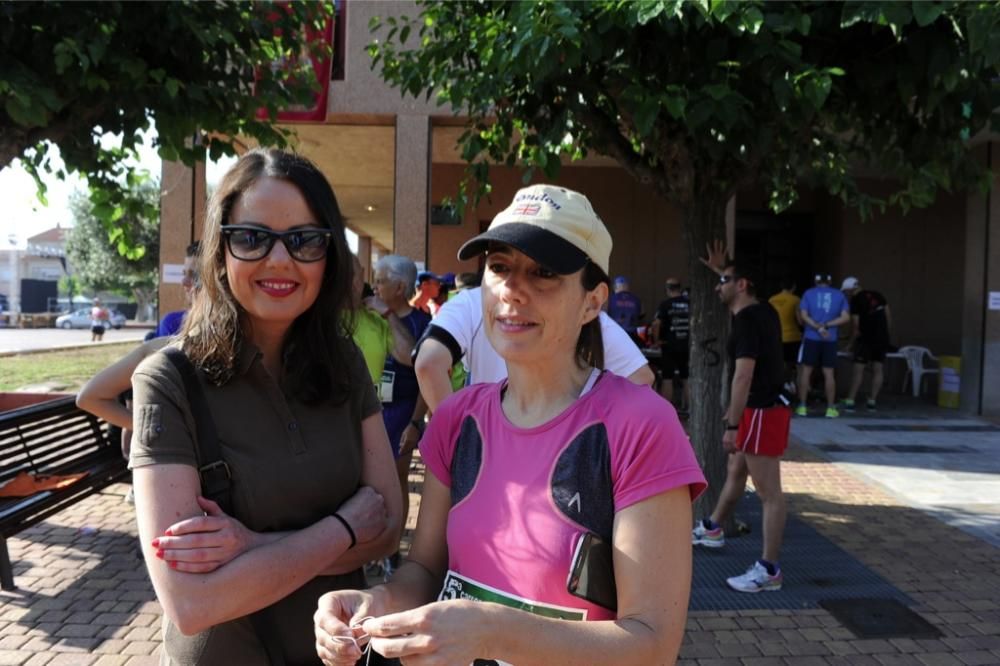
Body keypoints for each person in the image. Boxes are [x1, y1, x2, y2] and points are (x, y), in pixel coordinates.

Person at [314, 183, 706, 666]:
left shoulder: (641, 426)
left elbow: (652, 644)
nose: (513, 289)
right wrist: (377, 602)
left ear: (593, 301)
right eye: (499, 267)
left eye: (543, 273)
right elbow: (424, 569)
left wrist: (492, 631)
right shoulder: (456, 419)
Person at [128, 149, 402, 665]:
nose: (280, 261)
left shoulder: (343, 362)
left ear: (329, 255)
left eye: (304, 241)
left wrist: (249, 546)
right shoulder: (168, 379)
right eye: (252, 238)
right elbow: (192, 601)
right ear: (220, 249)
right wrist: (342, 528)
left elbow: (387, 527)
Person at [692, 258, 790, 594]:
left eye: (724, 280)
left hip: (762, 410)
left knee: (769, 494)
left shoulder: (748, 320)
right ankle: (714, 527)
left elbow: (744, 374)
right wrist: (722, 267)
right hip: (757, 409)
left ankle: (770, 569)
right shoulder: (763, 312)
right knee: (736, 471)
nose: (718, 286)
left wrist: (733, 424)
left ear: (743, 284)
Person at [372, 254, 432, 574]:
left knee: (396, 480)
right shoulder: (368, 316)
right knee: (370, 482)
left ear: (399, 286)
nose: (375, 286)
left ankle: (393, 549)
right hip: (372, 409)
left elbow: (423, 372)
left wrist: (415, 422)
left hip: (403, 409)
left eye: (381, 280)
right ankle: (374, 545)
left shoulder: (422, 324)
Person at [345, 254, 416, 387]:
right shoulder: (316, 319)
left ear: (362, 274)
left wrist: (388, 313)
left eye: (351, 275)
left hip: (374, 406)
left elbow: (411, 358)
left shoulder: (377, 318)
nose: (346, 283)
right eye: (339, 276)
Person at [796, 273, 850, 418]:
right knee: (829, 373)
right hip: (830, 339)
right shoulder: (839, 295)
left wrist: (818, 327)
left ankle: (802, 406)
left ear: (816, 281)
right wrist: (827, 325)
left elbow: (804, 316)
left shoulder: (808, 293)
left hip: (811, 337)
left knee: (806, 371)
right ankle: (830, 408)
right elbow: (846, 317)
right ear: (830, 282)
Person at [840, 276, 893, 411]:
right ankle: (872, 401)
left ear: (851, 290)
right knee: (878, 369)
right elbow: (888, 316)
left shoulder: (856, 301)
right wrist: (885, 335)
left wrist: (850, 344)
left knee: (858, 370)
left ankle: (850, 400)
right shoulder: (878, 295)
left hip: (865, 339)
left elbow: (856, 327)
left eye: (846, 292)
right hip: (881, 339)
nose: (846, 294)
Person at [650, 277, 690, 411]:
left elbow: (656, 323)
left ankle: (667, 411)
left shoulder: (665, 304)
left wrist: (656, 341)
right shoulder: (690, 303)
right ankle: (690, 410)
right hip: (687, 345)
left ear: (667, 289)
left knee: (667, 378)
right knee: (686, 378)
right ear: (679, 287)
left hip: (669, 346)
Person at [154, 241, 201, 338]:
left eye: (195, 275)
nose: (184, 282)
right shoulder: (173, 324)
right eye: (184, 274)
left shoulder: (233, 327)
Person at [767, 276, 802, 385]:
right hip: (793, 337)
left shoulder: (771, 299)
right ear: (794, 287)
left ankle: (778, 387)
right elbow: (800, 321)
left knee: (778, 363)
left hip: (776, 336)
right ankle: (792, 386)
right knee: (795, 364)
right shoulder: (796, 299)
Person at [607, 275, 643, 339]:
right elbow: (641, 316)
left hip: (614, 333)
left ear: (615, 287)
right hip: (631, 334)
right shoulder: (636, 300)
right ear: (627, 287)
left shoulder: (610, 299)